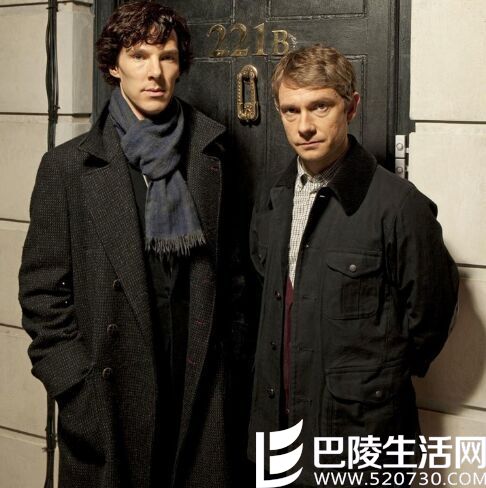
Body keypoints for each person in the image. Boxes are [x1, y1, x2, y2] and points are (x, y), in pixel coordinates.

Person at [19, 3, 237, 487]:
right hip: (111, 401)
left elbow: (233, 278)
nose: (155, 72)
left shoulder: (210, 154)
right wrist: (79, 395)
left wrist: (230, 372)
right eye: (139, 56)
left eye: (167, 56)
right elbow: (41, 295)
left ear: (180, 66)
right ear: (114, 65)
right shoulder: (69, 167)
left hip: (194, 391)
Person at [248, 45, 459, 486]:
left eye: (320, 106)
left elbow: (430, 318)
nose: (304, 126)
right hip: (279, 429)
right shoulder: (274, 198)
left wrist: (373, 382)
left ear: (351, 106)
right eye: (291, 110)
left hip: (362, 435)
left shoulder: (399, 206)